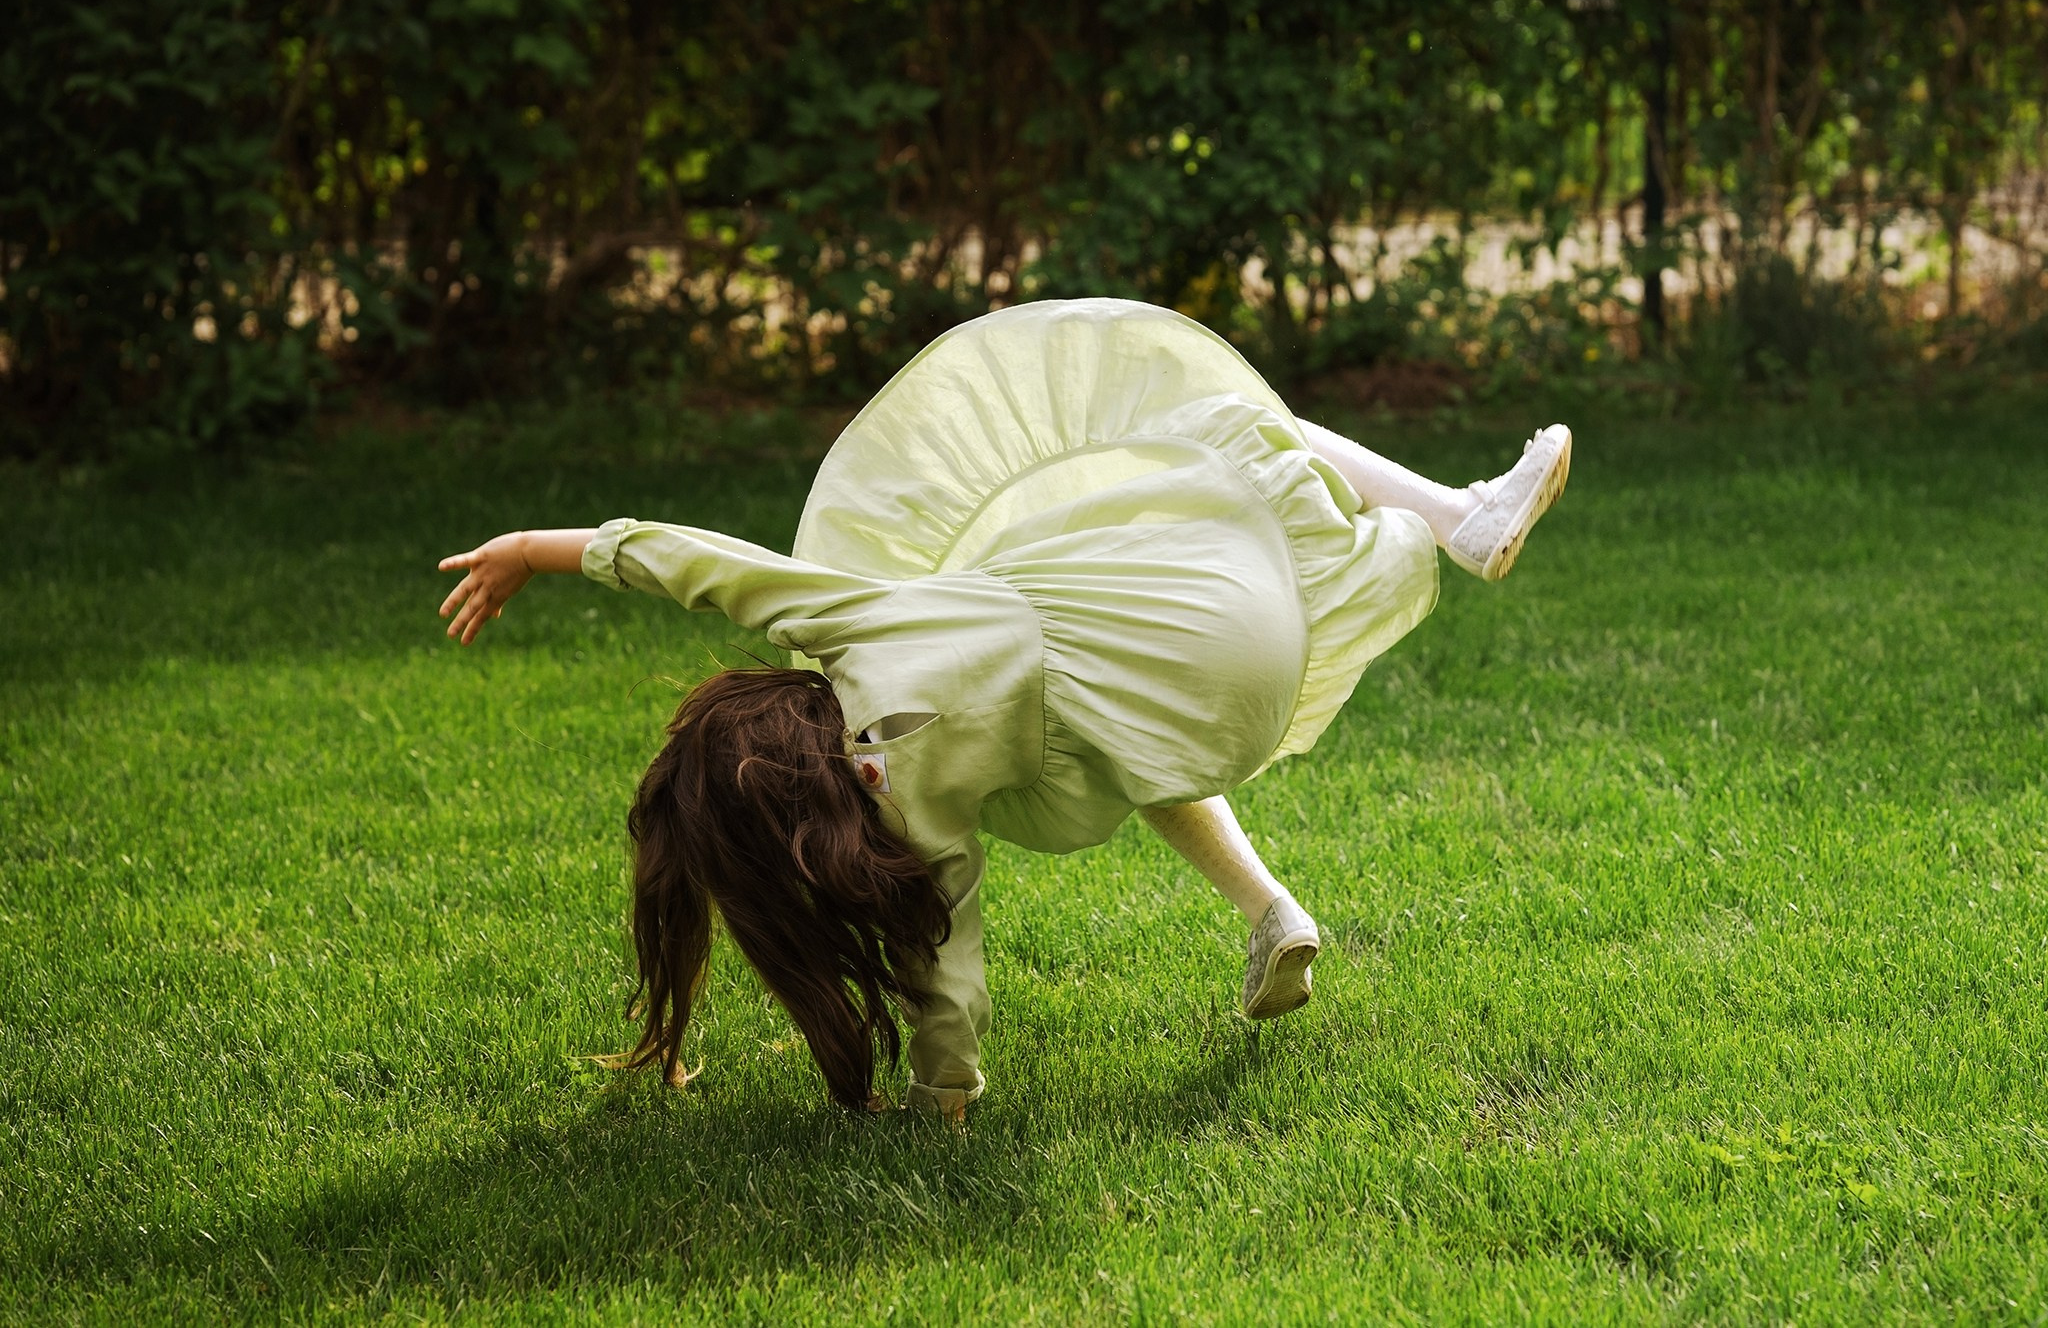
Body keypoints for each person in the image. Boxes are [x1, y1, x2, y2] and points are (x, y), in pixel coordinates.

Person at [435, 299, 1570, 1120]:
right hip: (1216, 613)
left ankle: (1272, 908)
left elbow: (946, 983)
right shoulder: (851, 625)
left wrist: (947, 1104)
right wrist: (538, 551)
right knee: (1210, 422)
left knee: (1100, 748)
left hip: (1206, 713)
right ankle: (1447, 516)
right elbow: (700, 564)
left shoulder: (911, 836)